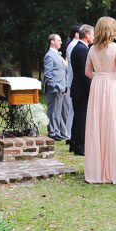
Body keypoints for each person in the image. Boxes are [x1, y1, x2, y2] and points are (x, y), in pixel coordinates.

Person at [84, 16, 116, 184]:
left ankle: (96, 170)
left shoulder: (91, 49)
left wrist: (99, 78)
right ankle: (115, 170)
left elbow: (87, 72)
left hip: (97, 85)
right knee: (114, 124)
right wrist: (115, 81)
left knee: (98, 125)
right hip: (112, 85)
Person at [69, 24, 94, 156]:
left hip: (76, 89)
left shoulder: (77, 48)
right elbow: (85, 74)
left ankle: (74, 144)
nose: (94, 37)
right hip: (81, 90)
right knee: (82, 119)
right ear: (86, 35)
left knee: (78, 118)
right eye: (92, 34)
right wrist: (91, 91)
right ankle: (80, 146)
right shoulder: (83, 50)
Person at [43, 34, 68, 141]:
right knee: (53, 111)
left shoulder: (57, 55)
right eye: (58, 40)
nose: (61, 42)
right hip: (55, 88)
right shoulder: (49, 56)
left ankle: (56, 131)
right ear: (52, 42)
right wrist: (54, 87)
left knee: (58, 111)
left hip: (61, 88)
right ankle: (52, 132)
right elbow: (48, 74)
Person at [62, 25, 81, 143]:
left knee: (72, 110)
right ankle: (69, 134)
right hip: (74, 80)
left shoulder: (72, 45)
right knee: (72, 110)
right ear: (76, 34)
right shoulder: (74, 46)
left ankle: (70, 133)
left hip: (72, 80)